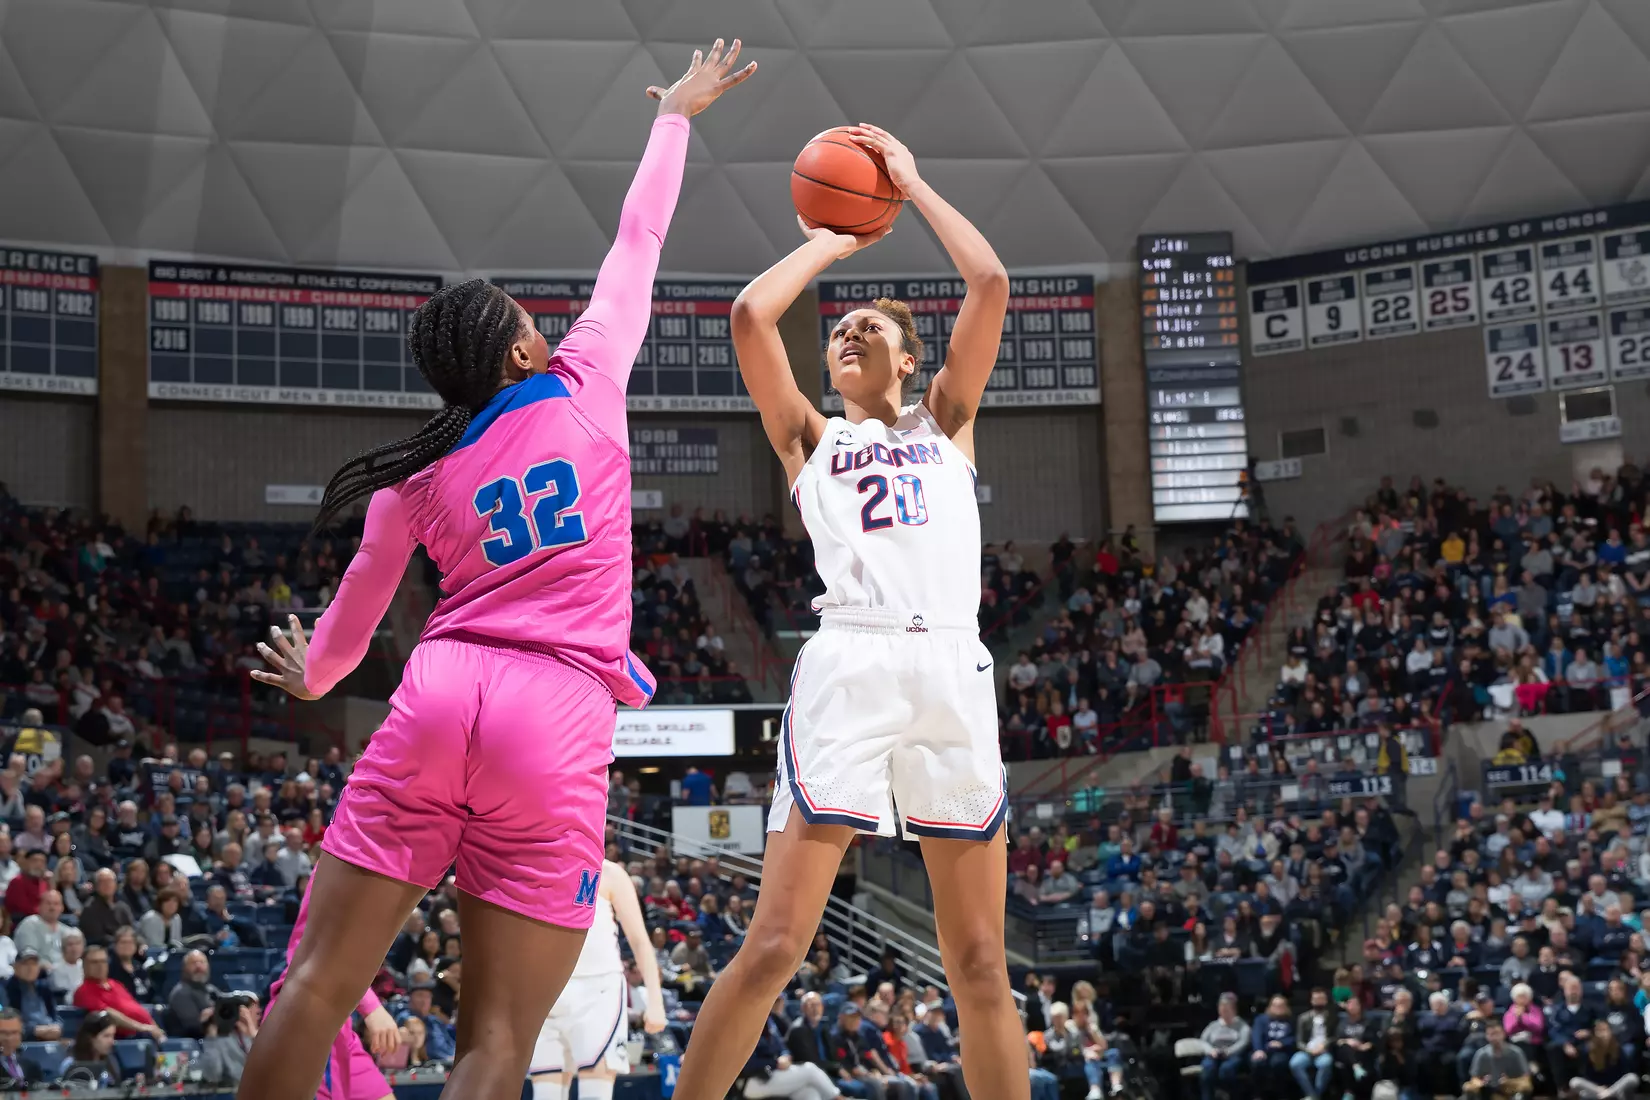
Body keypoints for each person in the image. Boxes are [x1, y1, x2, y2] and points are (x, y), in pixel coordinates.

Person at [237, 40, 755, 1100]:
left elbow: (339, 655)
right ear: (521, 354)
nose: (543, 320)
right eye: (528, 317)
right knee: (499, 1041)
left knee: (313, 989)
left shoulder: (413, 478)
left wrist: (311, 674)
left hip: (440, 692)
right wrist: (679, 116)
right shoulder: (587, 379)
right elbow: (639, 235)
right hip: (554, 710)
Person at [670, 120, 1018, 1100]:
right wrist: (834, 237)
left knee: (983, 964)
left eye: (871, 324)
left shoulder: (948, 420)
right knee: (777, 941)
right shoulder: (807, 439)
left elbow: (988, 286)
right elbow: (749, 315)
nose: (848, 329)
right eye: (839, 326)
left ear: (911, 360)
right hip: (853, 667)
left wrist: (911, 182)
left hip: (954, 668)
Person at [529, 861, 667, 1100]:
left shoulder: (610, 873)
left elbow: (640, 941)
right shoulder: (535, 863)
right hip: (544, 992)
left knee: (596, 1091)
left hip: (598, 992)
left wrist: (655, 1002)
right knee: (545, 1094)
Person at [73, 945, 164, 1041]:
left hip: (147, 1034)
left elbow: (138, 1009)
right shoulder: (84, 991)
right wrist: (143, 1028)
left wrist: (155, 1029)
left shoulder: (116, 984)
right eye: (94, 962)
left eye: (103, 961)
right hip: (125, 1039)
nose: (100, 966)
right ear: (84, 965)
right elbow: (109, 1015)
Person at [198, 994, 261, 1087]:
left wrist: (252, 1033)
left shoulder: (266, 1037)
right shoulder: (221, 1040)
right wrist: (211, 1037)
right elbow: (212, 1076)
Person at [1466, 1021, 1533, 1100]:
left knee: (1525, 1087)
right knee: (1468, 1087)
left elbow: (1526, 1079)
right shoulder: (1482, 1054)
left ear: (1503, 1034)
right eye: (1491, 1034)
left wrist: (1509, 1082)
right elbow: (1474, 1078)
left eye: (1497, 1033)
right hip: (1489, 1090)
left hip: (1510, 1089)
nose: (1494, 1037)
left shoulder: (1515, 1053)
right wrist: (1482, 1083)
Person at [1201, 994, 1251, 1100]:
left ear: (1234, 1010)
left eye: (1227, 1009)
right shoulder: (1213, 1025)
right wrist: (1210, 1051)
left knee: (1226, 1070)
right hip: (1214, 1054)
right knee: (1207, 1071)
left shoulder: (1242, 1025)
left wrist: (1229, 1051)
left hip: (1233, 1055)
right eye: (1222, 1008)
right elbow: (1203, 1041)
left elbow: (1244, 1042)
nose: (1224, 1011)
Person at [1290, 987, 1337, 1100]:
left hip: (1324, 1050)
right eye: (1316, 999)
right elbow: (1299, 1041)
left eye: (1321, 999)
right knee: (1295, 1063)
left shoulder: (1332, 1017)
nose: (1319, 1001)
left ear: (1326, 1001)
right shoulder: (1303, 1018)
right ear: (1311, 1001)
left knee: (1325, 1064)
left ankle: (1314, 1096)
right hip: (1307, 1050)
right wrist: (1308, 1050)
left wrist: (1324, 1045)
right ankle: (1313, 1095)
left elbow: (1335, 1037)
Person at [1572, 1019, 1636, 1100]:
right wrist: (1599, 1088)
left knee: (1632, 1078)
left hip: (1616, 1088)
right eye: (1599, 1031)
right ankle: (1606, 1094)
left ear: (1610, 1032)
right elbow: (1586, 1075)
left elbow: (1625, 1071)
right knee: (1575, 1082)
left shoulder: (1617, 1048)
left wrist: (1611, 1088)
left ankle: (1609, 1094)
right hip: (1598, 1089)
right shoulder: (1588, 1050)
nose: (1603, 1034)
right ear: (1595, 1033)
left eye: (1605, 1030)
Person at [59, 1010, 120, 1087]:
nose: (112, 1042)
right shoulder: (70, 1065)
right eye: (106, 1036)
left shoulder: (111, 1062)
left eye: (113, 1036)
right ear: (90, 1038)